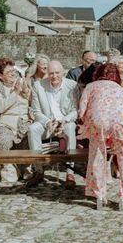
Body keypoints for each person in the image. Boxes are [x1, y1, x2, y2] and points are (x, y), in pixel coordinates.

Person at [78, 63, 123, 209]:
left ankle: (99, 194)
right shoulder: (119, 89)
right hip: (120, 121)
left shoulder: (90, 86)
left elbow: (81, 111)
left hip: (99, 120)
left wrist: (88, 124)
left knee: (97, 156)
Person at [28, 60, 79, 188]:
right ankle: (38, 170)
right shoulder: (38, 86)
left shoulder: (72, 85)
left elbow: (75, 111)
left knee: (70, 127)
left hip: (64, 121)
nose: (54, 76)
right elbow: (36, 111)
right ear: (47, 73)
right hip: (47, 122)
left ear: (63, 73)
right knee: (33, 128)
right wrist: (47, 122)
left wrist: (64, 120)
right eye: (51, 73)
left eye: (57, 73)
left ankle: (70, 173)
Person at [0, 58, 31, 187]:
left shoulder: (20, 82)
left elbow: (31, 102)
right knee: (4, 138)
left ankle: (26, 167)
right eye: (9, 71)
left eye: (13, 70)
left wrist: (26, 91)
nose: (13, 73)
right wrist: (15, 92)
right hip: (4, 123)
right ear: (0, 75)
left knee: (31, 134)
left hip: (23, 122)